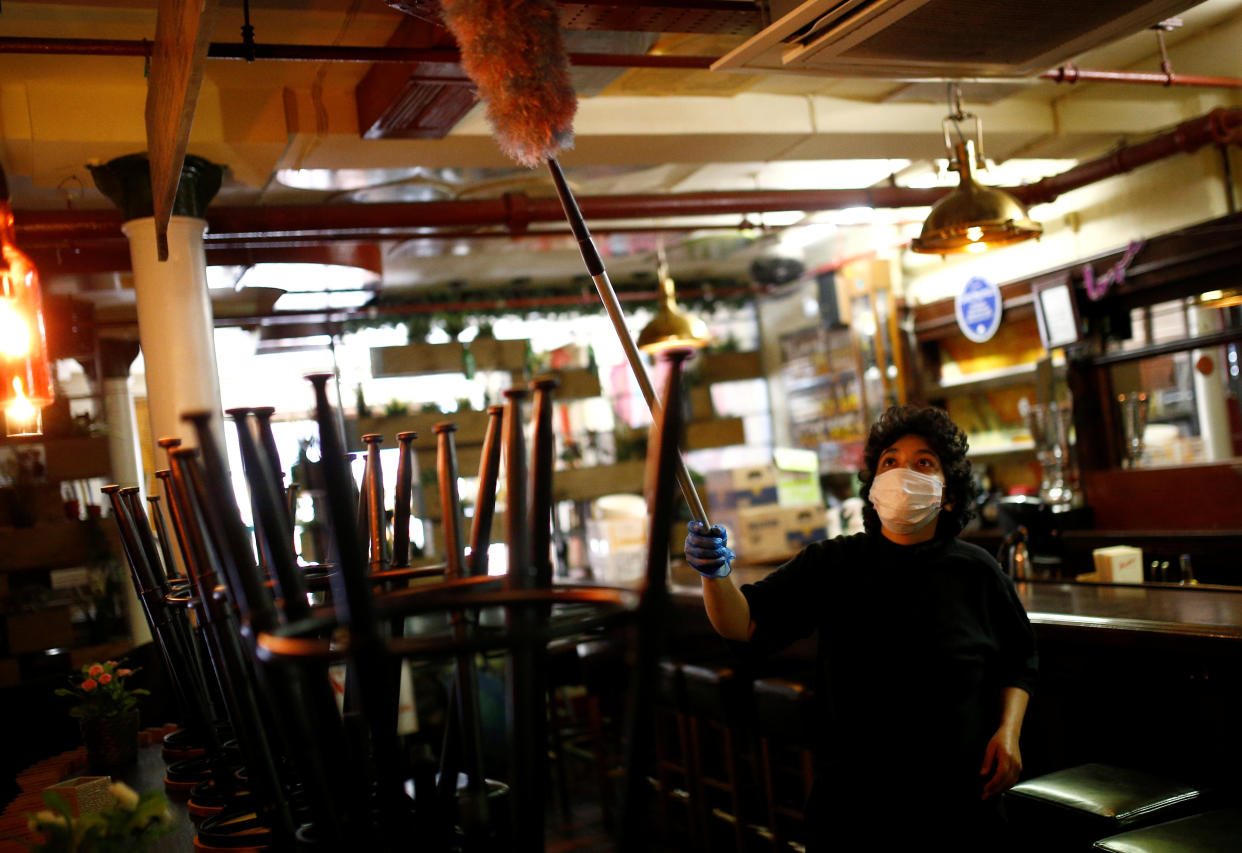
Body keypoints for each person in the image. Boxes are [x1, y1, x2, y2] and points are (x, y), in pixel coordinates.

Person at [685, 405, 1037, 851]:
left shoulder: (979, 572)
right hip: (854, 809)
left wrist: (1009, 733)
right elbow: (742, 624)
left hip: (962, 807)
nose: (903, 472)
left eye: (923, 462)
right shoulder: (832, 563)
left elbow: (1019, 660)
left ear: (948, 493)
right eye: (890, 461)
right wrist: (714, 575)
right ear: (872, 487)